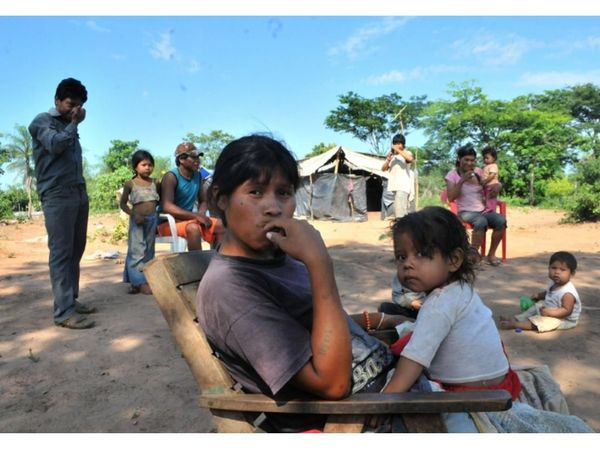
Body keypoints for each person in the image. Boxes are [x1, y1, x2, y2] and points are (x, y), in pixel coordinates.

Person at [196, 134, 411, 432]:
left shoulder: (280, 258)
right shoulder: (229, 289)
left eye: (284, 193)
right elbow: (332, 385)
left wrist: (375, 318)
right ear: (221, 198)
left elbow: (317, 324)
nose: (273, 207)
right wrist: (319, 263)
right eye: (256, 191)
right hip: (368, 419)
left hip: (395, 386)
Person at [380, 206, 521, 401]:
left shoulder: (438, 304)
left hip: (467, 395)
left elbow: (413, 361)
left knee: (395, 371)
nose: (407, 264)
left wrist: (384, 400)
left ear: (454, 260)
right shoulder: (462, 289)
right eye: (401, 256)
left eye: (421, 254)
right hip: (502, 384)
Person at [29, 77, 97, 329]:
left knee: (76, 250)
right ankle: (63, 312)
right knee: (61, 253)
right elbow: (55, 146)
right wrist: (73, 123)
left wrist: (72, 123)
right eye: (70, 104)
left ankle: (71, 300)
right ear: (57, 100)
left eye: (79, 105)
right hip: (57, 194)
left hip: (78, 192)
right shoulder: (42, 122)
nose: (75, 109)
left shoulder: (70, 124)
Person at [445, 144, 506, 266]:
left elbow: (491, 182)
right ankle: (472, 255)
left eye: (472, 160)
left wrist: (498, 186)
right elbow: (451, 197)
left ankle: (491, 254)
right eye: (466, 160)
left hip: (483, 210)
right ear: (459, 159)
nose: (469, 163)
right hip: (465, 212)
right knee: (481, 221)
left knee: (501, 220)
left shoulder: (478, 172)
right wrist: (462, 181)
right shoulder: (452, 175)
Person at [158, 142, 222, 250]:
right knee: (193, 229)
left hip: (188, 220)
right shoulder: (171, 176)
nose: (198, 160)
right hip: (167, 224)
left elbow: (203, 201)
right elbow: (167, 206)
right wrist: (196, 216)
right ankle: (195, 265)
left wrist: (201, 214)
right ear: (182, 160)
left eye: (198, 157)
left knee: (222, 225)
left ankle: (219, 261)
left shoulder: (198, 176)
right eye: (193, 157)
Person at [500, 251, 582, 332]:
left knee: (541, 322)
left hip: (563, 319)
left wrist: (551, 313)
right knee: (535, 307)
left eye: (562, 270)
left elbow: (566, 311)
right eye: (553, 268)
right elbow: (550, 293)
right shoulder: (554, 282)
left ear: (572, 274)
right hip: (550, 310)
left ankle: (515, 324)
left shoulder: (568, 293)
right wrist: (539, 296)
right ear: (548, 268)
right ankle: (517, 318)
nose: (557, 272)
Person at [119, 149, 160, 295]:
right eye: (144, 165)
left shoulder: (155, 182)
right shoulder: (130, 184)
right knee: (136, 252)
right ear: (135, 167)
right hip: (137, 221)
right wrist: (133, 214)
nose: (147, 168)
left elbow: (159, 201)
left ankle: (141, 281)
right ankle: (139, 283)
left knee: (149, 251)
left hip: (152, 220)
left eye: (150, 165)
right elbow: (123, 204)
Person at [381, 133, 414, 219]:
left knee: (400, 213)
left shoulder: (406, 153)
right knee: (399, 210)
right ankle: (404, 228)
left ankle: (401, 229)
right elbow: (383, 169)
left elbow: (410, 159)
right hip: (394, 187)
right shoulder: (392, 156)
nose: (397, 145)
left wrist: (398, 150)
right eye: (395, 143)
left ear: (403, 144)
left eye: (399, 143)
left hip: (403, 187)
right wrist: (388, 160)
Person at [481, 146, 502, 213]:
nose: (485, 160)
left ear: (494, 158)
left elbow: (492, 175)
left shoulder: (493, 165)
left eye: (487, 158)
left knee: (491, 198)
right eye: (484, 158)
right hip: (487, 186)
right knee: (487, 198)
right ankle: (487, 209)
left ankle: (490, 210)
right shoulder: (486, 167)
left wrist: (485, 181)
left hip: (492, 185)